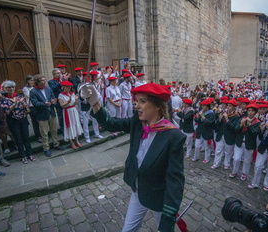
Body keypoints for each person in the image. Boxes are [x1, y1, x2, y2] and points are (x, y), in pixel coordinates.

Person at [80, 82, 186, 232]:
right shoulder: (138, 122)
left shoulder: (173, 136)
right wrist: (95, 102)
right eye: (137, 101)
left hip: (158, 198)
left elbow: (175, 181)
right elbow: (112, 124)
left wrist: (168, 217)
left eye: (143, 101)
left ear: (157, 106)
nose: (136, 106)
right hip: (138, 191)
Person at [0, 81, 34, 164]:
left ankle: (30, 154)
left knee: (26, 137)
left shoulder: (19, 96)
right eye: (9, 87)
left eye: (13, 87)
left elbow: (27, 110)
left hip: (23, 119)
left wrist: (23, 103)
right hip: (13, 121)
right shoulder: (4, 100)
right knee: (18, 139)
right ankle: (23, 155)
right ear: (5, 89)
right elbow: (6, 111)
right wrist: (15, 103)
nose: (11, 89)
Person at [30, 74, 64, 157]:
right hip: (42, 114)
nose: (44, 81)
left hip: (51, 112)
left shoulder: (48, 88)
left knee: (54, 130)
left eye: (44, 80)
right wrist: (44, 103)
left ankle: (56, 144)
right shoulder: (33, 91)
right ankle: (46, 148)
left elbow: (53, 97)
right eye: (42, 80)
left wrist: (54, 101)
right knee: (44, 133)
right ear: (37, 82)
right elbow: (35, 103)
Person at [230, 104, 261, 180]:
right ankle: (234, 171)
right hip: (239, 142)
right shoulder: (242, 119)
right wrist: (241, 124)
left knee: (247, 160)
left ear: (255, 113)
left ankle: (244, 173)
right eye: (249, 110)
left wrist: (249, 125)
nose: (250, 112)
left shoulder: (257, 122)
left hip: (249, 143)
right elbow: (236, 129)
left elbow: (255, 133)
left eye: (252, 111)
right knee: (236, 158)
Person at [78, 72, 103, 143]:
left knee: (95, 120)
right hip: (85, 107)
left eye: (89, 76)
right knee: (85, 123)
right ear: (84, 77)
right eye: (86, 76)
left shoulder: (93, 84)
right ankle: (87, 137)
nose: (88, 78)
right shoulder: (80, 85)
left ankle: (97, 133)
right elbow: (81, 97)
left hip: (93, 105)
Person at [58, 81, 83, 149]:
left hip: (74, 110)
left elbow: (75, 103)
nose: (69, 88)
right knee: (69, 126)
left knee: (75, 124)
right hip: (67, 111)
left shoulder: (72, 93)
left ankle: (77, 141)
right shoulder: (61, 95)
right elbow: (62, 105)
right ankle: (71, 143)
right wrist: (67, 102)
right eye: (67, 87)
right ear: (63, 87)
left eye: (70, 87)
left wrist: (76, 100)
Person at [193, 99, 215, 163]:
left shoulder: (211, 113)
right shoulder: (201, 111)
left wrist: (202, 116)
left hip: (207, 131)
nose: (202, 107)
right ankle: (196, 157)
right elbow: (198, 121)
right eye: (202, 105)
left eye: (204, 105)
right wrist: (197, 117)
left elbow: (210, 123)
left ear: (207, 106)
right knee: (197, 145)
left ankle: (206, 158)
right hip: (200, 131)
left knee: (207, 146)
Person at [22, 75, 41, 143]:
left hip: (38, 105)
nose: (33, 82)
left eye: (33, 80)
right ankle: (38, 136)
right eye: (31, 80)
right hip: (32, 106)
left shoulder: (35, 88)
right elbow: (30, 96)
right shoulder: (25, 88)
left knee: (40, 121)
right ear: (28, 81)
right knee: (35, 122)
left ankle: (42, 135)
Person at [48, 68, 64, 134]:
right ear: (54, 74)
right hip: (58, 101)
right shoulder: (51, 82)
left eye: (60, 73)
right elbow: (52, 89)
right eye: (57, 73)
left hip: (64, 99)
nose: (59, 74)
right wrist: (59, 83)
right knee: (61, 116)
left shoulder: (62, 80)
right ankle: (62, 129)